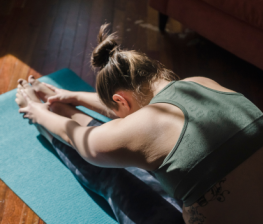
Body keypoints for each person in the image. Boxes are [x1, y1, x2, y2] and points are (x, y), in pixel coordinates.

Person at [16, 24, 263, 224]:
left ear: (120, 100)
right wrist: (76, 96)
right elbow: (139, 109)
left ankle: (53, 114)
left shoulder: (148, 126)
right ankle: (60, 105)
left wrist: (36, 111)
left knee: (116, 176)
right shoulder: (201, 83)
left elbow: (82, 141)